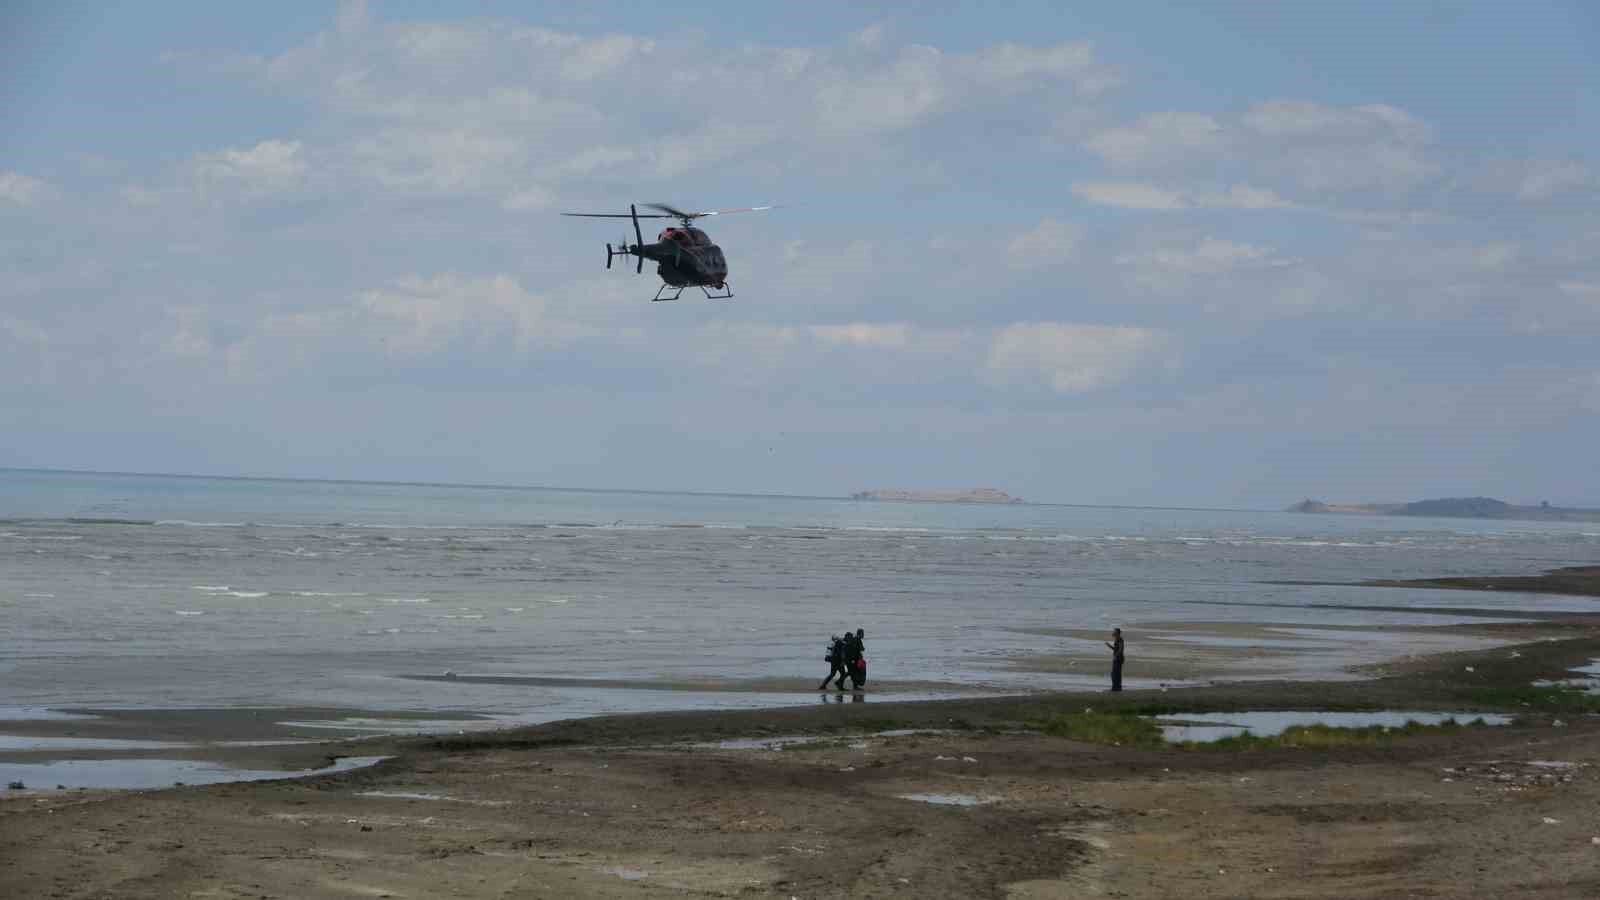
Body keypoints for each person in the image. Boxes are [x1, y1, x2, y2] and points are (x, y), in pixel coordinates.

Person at [1105, 627, 1125, 692]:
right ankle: (1116, 687)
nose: (1113, 632)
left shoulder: (1120, 639)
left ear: (1117, 633)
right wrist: (1109, 646)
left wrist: (1116, 656)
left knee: (1115, 674)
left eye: (1114, 632)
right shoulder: (1117, 639)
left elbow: (1121, 649)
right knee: (1115, 674)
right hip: (1117, 658)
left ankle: (1116, 688)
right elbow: (1116, 649)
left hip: (1118, 659)